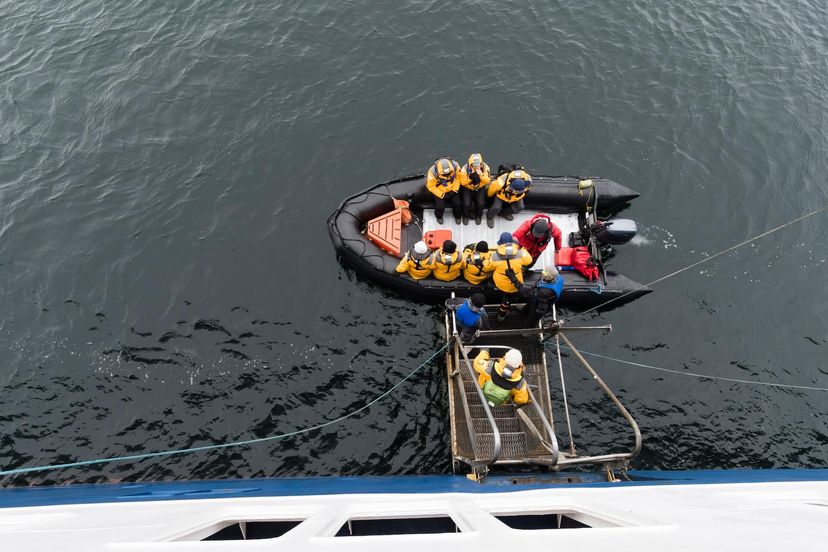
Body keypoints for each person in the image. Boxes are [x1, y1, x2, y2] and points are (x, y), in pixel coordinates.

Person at [483, 232, 533, 321]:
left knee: (491, 276)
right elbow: (529, 260)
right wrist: (522, 249)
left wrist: (486, 260)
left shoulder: (494, 256)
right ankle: (501, 316)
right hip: (516, 283)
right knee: (507, 301)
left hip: (501, 283)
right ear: (512, 242)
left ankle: (500, 315)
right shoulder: (520, 253)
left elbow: (486, 268)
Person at [458, 153, 492, 225]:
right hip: (468, 187)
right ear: (471, 163)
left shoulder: (486, 168)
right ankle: (466, 216)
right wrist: (470, 178)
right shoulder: (465, 169)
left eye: (478, 164)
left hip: (480, 187)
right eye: (474, 164)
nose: (476, 166)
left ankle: (478, 216)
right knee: (466, 204)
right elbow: (463, 183)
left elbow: (488, 181)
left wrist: (481, 175)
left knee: (481, 203)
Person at [426, 157, 462, 224]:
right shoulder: (432, 173)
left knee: (458, 204)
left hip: (452, 188)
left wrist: (454, 190)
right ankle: (439, 216)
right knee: (440, 207)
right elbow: (431, 186)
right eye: (444, 174)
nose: (447, 175)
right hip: (440, 191)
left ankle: (458, 216)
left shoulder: (455, 166)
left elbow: (458, 178)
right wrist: (441, 194)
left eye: (449, 173)